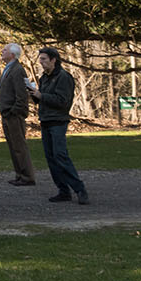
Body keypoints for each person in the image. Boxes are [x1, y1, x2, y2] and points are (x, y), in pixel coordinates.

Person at [29, 47, 89, 204]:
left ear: (53, 60)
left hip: (58, 121)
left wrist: (42, 95)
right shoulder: (44, 78)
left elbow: (63, 101)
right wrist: (33, 94)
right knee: (51, 158)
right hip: (46, 120)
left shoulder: (64, 77)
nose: (41, 62)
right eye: (40, 59)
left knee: (60, 156)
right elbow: (42, 99)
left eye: (44, 59)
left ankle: (80, 189)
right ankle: (63, 191)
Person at [0, 42, 36, 186]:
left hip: (13, 114)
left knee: (19, 146)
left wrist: (14, 111)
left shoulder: (17, 70)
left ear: (12, 54)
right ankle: (19, 174)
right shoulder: (8, 69)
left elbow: (21, 94)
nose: (2, 51)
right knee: (13, 146)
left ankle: (27, 176)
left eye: (5, 50)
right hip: (7, 113)